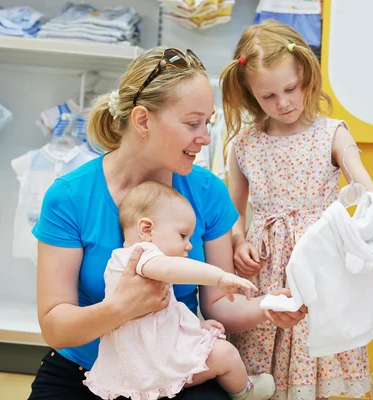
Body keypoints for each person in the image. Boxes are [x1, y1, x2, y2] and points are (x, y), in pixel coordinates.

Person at [29, 47, 306, 400]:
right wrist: (121, 307)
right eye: (193, 123)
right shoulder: (70, 197)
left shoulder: (207, 191)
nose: (205, 137)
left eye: (208, 123)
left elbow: (220, 305)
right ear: (143, 121)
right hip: (89, 372)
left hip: (176, 370)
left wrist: (267, 307)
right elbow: (56, 326)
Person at [220, 20, 373, 400]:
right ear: (250, 93)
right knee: (262, 363)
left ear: (306, 74)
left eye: (290, 88)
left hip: (321, 263)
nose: (283, 102)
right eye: (268, 96)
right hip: (266, 268)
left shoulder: (332, 133)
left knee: (314, 353)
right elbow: (231, 213)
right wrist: (238, 242)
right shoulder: (244, 144)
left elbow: (366, 189)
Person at [84, 180, 275, 400]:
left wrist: (196, 326)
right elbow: (171, 270)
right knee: (226, 354)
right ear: (147, 230)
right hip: (153, 363)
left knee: (218, 349)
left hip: (145, 362)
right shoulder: (138, 256)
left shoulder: (143, 264)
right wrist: (219, 276)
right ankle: (244, 392)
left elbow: (159, 318)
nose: (189, 245)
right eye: (183, 235)